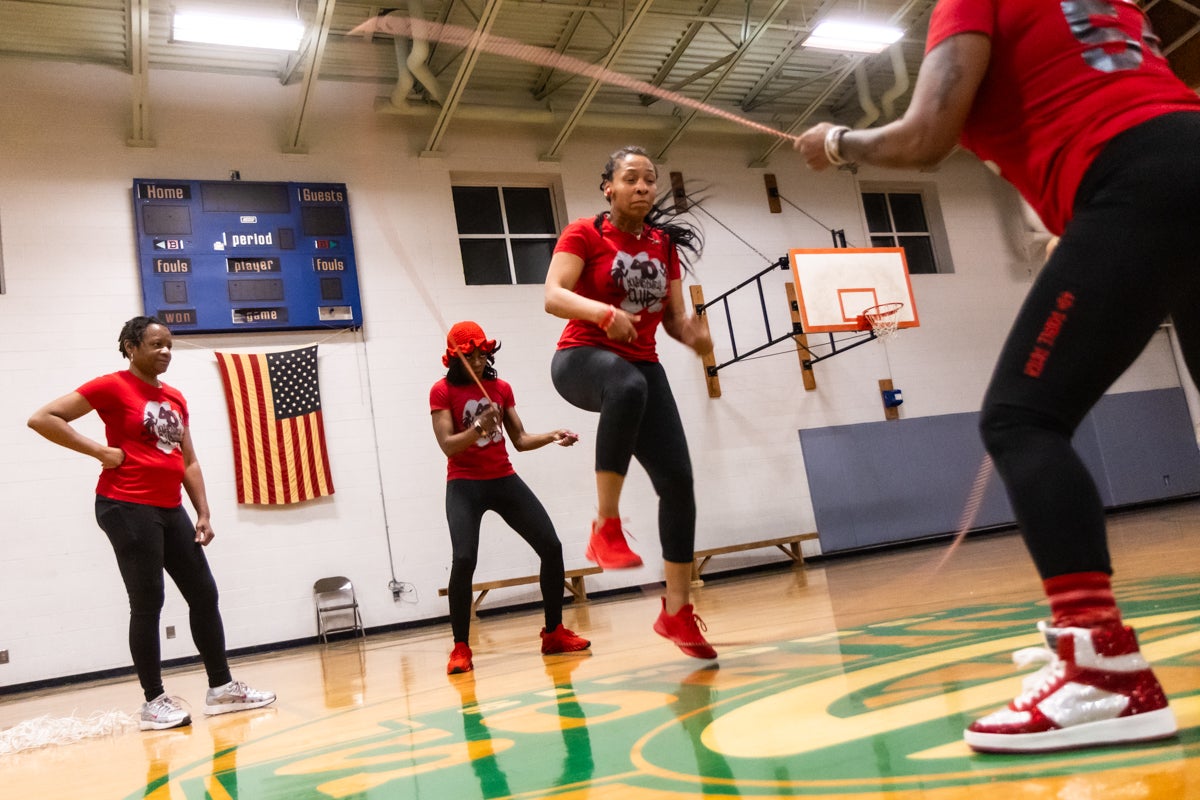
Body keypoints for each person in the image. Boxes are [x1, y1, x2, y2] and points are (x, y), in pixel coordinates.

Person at [796, 0, 1200, 753]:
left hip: (1135, 180)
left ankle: (1102, 668)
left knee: (1022, 421)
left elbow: (924, 137)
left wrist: (838, 142)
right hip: (1175, 160)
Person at [27, 316, 275, 731]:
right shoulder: (111, 386)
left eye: (169, 345)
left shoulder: (174, 397)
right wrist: (100, 452)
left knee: (204, 593)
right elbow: (43, 418)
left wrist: (203, 512)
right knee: (148, 601)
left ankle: (221, 689)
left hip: (169, 506)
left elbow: (188, 460)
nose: (165, 352)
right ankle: (153, 702)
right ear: (130, 347)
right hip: (125, 505)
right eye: (156, 344)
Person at [544, 145, 718, 660]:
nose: (642, 186)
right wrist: (601, 313)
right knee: (627, 385)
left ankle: (677, 612)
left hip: (641, 367)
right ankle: (606, 525)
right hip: (580, 360)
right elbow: (553, 295)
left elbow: (674, 320)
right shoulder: (584, 233)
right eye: (631, 178)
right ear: (609, 188)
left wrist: (695, 337)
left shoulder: (663, 246)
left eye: (649, 179)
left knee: (679, 485)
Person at [431, 321, 591, 674]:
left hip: (502, 478)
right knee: (464, 558)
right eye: (470, 356)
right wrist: (478, 428)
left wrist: (552, 435)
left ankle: (554, 634)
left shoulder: (500, 388)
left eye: (482, 355)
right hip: (464, 484)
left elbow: (519, 440)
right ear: (455, 358)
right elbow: (448, 446)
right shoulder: (441, 392)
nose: (477, 362)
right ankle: (460, 648)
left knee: (551, 546)